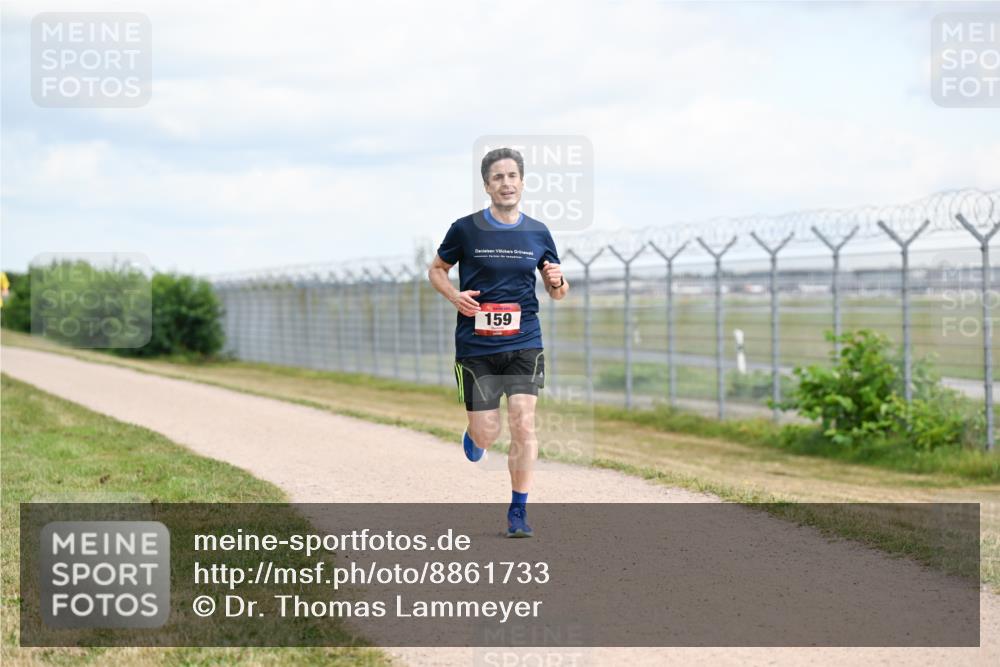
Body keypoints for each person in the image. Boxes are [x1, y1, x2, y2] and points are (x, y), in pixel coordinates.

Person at [428, 147, 568, 537]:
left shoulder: (538, 232)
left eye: (512, 176)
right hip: (477, 345)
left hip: (525, 339)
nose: (506, 183)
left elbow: (557, 290)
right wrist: (454, 296)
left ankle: (518, 511)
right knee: (488, 432)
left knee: (524, 422)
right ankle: (475, 437)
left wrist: (557, 282)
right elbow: (437, 269)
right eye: (498, 178)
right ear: (487, 185)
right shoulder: (466, 228)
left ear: (522, 182)